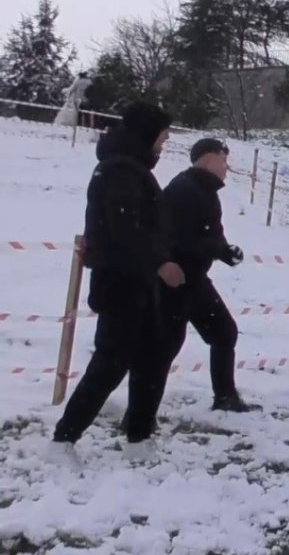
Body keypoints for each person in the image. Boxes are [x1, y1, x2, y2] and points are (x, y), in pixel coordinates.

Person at [49, 102, 185, 466]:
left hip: (138, 281)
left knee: (151, 358)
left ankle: (139, 438)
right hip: (120, 281)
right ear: (145, 135)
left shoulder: (132, 169)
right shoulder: (120, 171)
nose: (163, 145)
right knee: (111, 362)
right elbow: (126, 227)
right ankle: (63, 440)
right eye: (161, 138)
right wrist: (161, 262)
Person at [145, 137, 256, 416]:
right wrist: (212, 249)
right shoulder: (184, 190)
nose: (227, 166)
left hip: (192, 278)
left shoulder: (205, 191)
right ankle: (139, 415)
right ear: (208, 158)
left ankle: (225, 397)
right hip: (176, 279)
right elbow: (177, 238)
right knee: (165, 347)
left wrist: (225, 251)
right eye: (223, 159)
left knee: (222, 332)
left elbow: (209, 233)